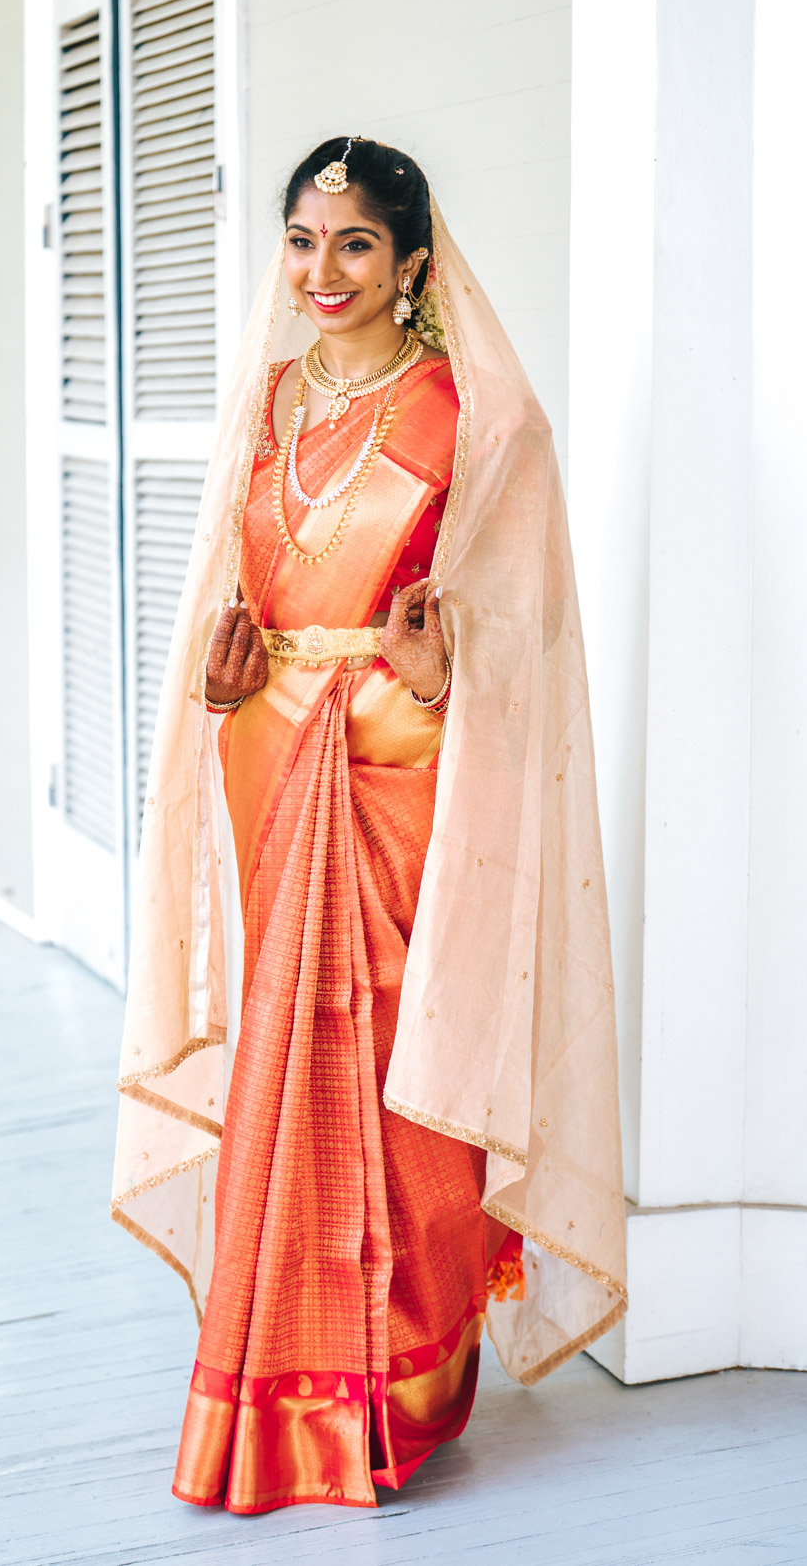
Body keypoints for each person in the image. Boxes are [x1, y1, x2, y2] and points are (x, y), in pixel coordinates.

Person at [112, 136, 627, 1514]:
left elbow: (529, 628)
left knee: (405, 1057)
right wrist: (228, 678)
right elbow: (240, 596)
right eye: (300, 240)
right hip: (273, 751)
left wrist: (445, 656)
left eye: (353, 245)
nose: (321, 270)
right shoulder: (267, 399)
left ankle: (400, 1388)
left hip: (408, 765)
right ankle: (276, 1391)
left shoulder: (471, 413)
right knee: (290, 1055)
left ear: (412, 264)